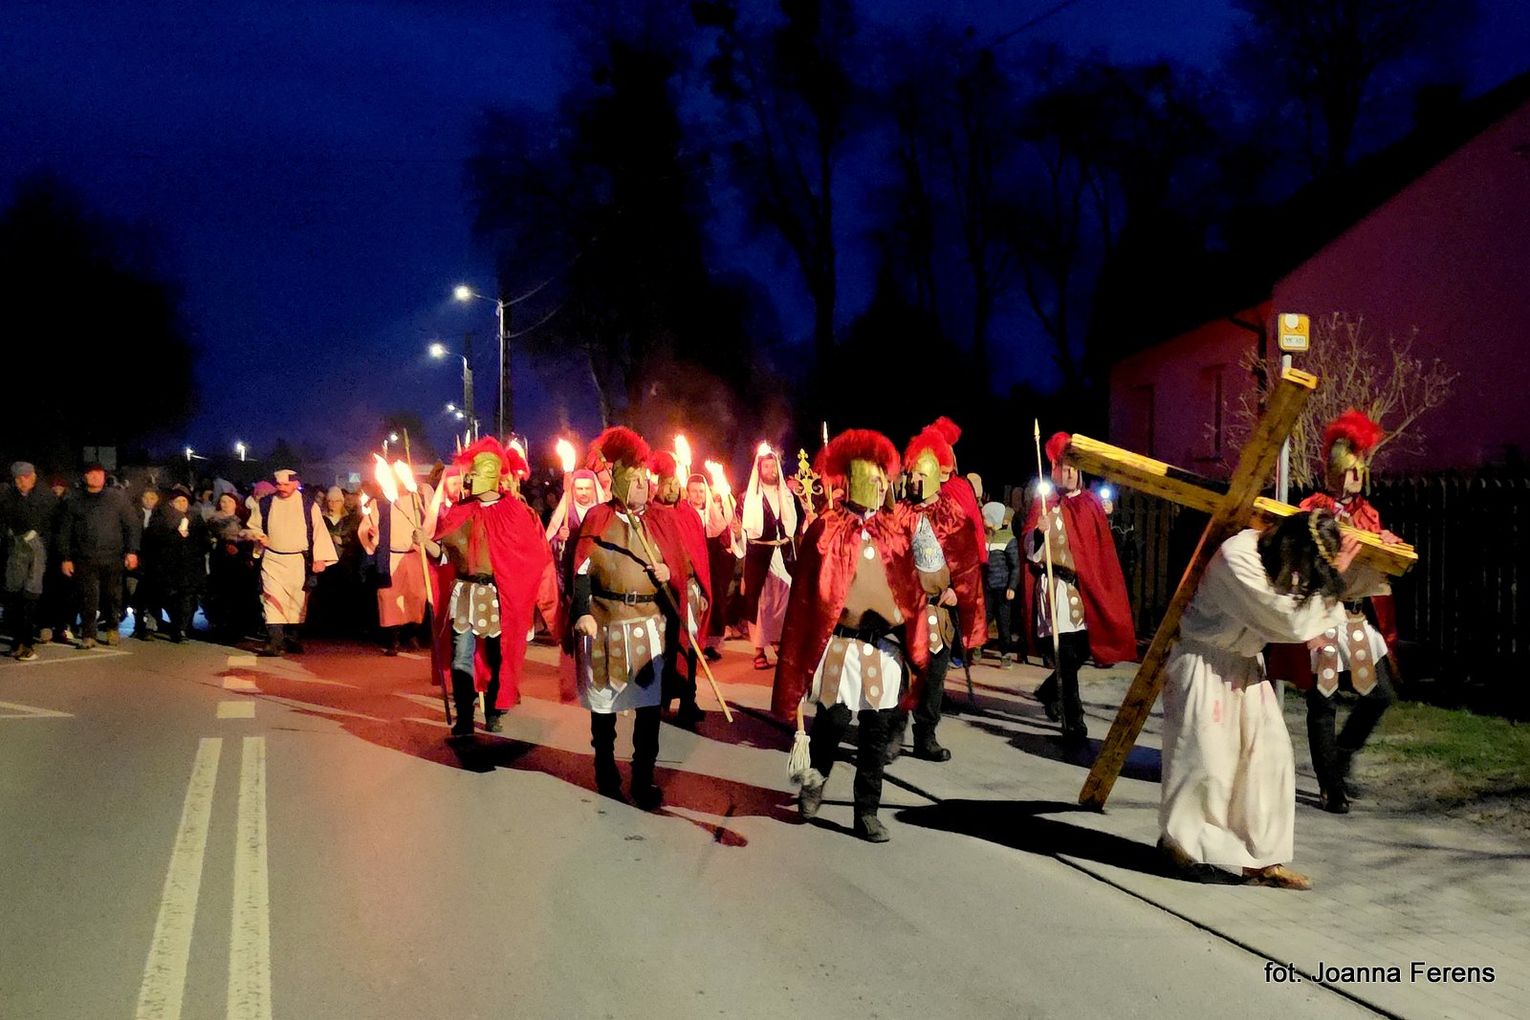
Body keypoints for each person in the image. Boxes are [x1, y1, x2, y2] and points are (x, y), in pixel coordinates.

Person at [1159, 511, 1362, 890]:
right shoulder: (1237, 557)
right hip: (1206, 660)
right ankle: (1179, 846)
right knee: (1205, 760)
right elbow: (1290, 621)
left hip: (1245, 664)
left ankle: (1262, 860)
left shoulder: (1280, 560)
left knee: (1270, 758)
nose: (1301, 573)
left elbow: (1302, 602)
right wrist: (1333, 579)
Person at [773, 429, 942, 842]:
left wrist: (926, 548)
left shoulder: (897, 530)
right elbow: (806, 596)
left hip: (883, 648)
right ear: (855, 480)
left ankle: (866, 811)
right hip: (842, 646)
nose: (883, 487)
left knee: (875, 734)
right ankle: (815, 781)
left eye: (886, 479)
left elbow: (932, 580)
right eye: (875, 479)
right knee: (831, 723)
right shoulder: (827, 529)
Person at [1266, 410, 1403, 814]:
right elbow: (1299, 561)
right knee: (1323, 700)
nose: (1354, 477)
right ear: (1334, 469)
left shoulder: (1368, 515)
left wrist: (1385, 545)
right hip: (1323, 615)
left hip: (1354, 618)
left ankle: (1342, 755)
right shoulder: (1312, 509)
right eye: (1348, 470)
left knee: (1379, 695)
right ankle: (1330, 786)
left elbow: (1374, 560)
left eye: (1359, 470)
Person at [569, 427, 697, 809]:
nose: (643, 485)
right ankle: (605, 769)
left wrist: (668, 572)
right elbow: (580, 569)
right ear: (619, 480)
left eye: (646, 479)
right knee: (604, 706)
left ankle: (643, 777)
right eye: (636, 479)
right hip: (605, 622)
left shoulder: (661, 521)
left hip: (648, 625)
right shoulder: (598, 518)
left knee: (648, 709)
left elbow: (680, 567)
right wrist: (582, 612)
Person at [430, 438, 556, 737]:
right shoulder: (461, 510)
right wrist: (427, 544)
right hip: (465, 593)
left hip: (498, 595)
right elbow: (445, 555)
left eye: (475, 473)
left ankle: (494, 711)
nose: (469, 478)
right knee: (461, 656)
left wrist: (518, 588)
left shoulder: (516, 512)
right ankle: (464, 716)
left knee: (497, 656)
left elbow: (532, 556)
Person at [1022, 432, 1138, 743]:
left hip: (1081, 590)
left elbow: (1100, 551)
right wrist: (1038, 533)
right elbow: (1029, 551)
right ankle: (1074, 722)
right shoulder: (1044, 505)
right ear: (1055, 470)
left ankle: (1049, 691)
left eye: (1074, 467)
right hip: (1054, 590)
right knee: (1065, 655)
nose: (1070, 473)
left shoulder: (1089, 503)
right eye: (1064, 467)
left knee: (1083, 648)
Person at [884, 422, 987, 764]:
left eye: (918, 475)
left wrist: (958, 591)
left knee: (933, 679)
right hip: (905, 611)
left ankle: (925, 736)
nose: (912, 481)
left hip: (938, 613)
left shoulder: (951, 513)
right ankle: (894, 732)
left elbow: (966, 560)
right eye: (910, 474)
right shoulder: (899, 512)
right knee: (901, 675)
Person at [647, 451, 713, 729]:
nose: (673, 489)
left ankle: (689, 699)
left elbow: (699, 554)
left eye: (676, 483)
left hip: (690, 589)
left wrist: (703, 590)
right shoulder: (650, 515)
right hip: (664, 594)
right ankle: (658, 701)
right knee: (665, 647)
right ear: (657, 485)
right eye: (668, 483)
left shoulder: (689, 514)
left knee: (691, 647)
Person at [247, 469, 336, 656]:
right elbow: (253, 526)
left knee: (296, 601)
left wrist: (320, 557)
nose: (282, 488)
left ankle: (292, 638)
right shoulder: (266, 503)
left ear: (296, 484)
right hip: (272, 559)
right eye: (279, 484)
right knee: (272, 599)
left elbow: (319, 531)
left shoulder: (308, 505)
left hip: (298, 561)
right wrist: (258, 536)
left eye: (286, 484)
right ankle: (274, 641)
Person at [58, 463, 140, 649]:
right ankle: (89, 634)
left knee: (112, 595)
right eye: (91, 473)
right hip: (84, 557)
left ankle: (112, 628)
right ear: (85, 477)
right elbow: (65, 531)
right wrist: (66, 557)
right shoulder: (74, 500)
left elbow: (131, 525)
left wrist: (132, 551)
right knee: (88, 597)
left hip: (113, 556)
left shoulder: (117, 498)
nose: (95, 476)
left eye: (99, 473)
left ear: (104, 476)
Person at [358, 473, 436, 655]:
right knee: (389, 597)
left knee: (417, 596)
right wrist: (372, 537)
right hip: (390, 557)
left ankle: (412, 633)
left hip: (414, 555)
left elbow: (431, 523)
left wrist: (426, 539)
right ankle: (393, 638)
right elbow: (366, 527)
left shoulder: (418, 500)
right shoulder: (379, 503)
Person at [740, 443, 798, 670]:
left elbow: (797, 522)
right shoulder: (751, 497)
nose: (771, 470)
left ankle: (779, 641)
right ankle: (759, 650)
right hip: (760, 557)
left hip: (783, 555)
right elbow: (747, 531)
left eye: (773, 466)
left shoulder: (787, 494)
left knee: (785, 600)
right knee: (762, 605)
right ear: (759, 469)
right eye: (766, 466)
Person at [2, 461, 58, 660]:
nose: (22, 482)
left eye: (25, 477)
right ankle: (17, 641)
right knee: (14, 595)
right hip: (15, 550)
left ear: (33, 476)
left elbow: (50, 524)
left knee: (30, 595)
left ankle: (27, 643)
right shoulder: (8, 496)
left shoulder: (46, 496)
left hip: (37, 549)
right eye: (18, 478)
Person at [143, 485, 207, 641]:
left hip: (188, 567)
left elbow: (203, 541)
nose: (182, 504)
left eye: (184, 501)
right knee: (159, 596)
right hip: (165, 566)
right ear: (171, 503)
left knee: (184, 598)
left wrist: (192, 542)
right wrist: (175, 536)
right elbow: (154, 538)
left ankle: (180, 629)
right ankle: (150, 626)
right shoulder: (161, 518)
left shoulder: (195, 518)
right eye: (178, 501)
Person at [688, 472, 736, 663]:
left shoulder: (712, 516)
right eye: (694, 491)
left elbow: (724, 540)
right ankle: (692, 643)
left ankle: (709, 644)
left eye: (701, 491)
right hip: (691, 565)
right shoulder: (684, 513)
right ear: (688, 492)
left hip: (711, 567)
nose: (698, 495)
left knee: (713, 602)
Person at [205, 491, 260, 642]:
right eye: (223, 501)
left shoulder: (244, 520)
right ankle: (222, 627)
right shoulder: (213, 521)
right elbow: (210, 539)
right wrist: (223, 545)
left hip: (241, 562)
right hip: (221, 561)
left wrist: (243, 549)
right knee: (222, 595)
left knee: (240, 595)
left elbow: (251, 539)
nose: (226, 504)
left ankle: (241, 627)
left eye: (229, 501)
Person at [981, 501, 1019, 666]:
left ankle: (1006, 653)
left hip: (1002, 588)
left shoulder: (1007, 539)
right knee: (983, 619)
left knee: (1003, 622)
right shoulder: (984, 537)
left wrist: (1012, 586)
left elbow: (1015, 565)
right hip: (987, 587)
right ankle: (978, 647)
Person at [129, 487, 161, 638]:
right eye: (146, 498)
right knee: (133, 591)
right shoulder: (133, 514)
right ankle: (138, 623)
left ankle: (151, 624)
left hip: (154, 560)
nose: (149, 501)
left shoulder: (161, 515)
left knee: (153, 593)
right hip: (136, 558)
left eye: (152, 498)